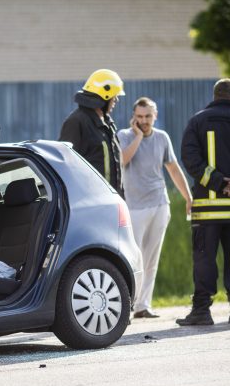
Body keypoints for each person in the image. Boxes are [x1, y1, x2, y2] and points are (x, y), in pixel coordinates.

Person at [118, 97, 192, 319]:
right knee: (134, 257)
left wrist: (188, 197)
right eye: (139, 117)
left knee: (152, 257)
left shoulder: (162, 138)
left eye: (148, 116)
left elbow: (174, 169)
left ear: (155, 116)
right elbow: (122, 159)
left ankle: (144, 305)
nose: (144, 121)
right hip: (134, 207)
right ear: (134, 117)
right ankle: (129, 305)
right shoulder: (124, 136)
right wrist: (139, 136)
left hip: (159, 203)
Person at [177, 78, 230, 326]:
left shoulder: (198, 121)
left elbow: (189, 157)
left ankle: (202, 312)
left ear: (215, 95)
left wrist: (217, 182)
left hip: (207, 210)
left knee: (204, 260)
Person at [59, 69, 125, 197]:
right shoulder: (76, 122)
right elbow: (65, 166)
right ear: (104, 96)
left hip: (111, 202)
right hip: (91, 204)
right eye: (114, 96)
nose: (116, 100)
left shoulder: (107, 124)